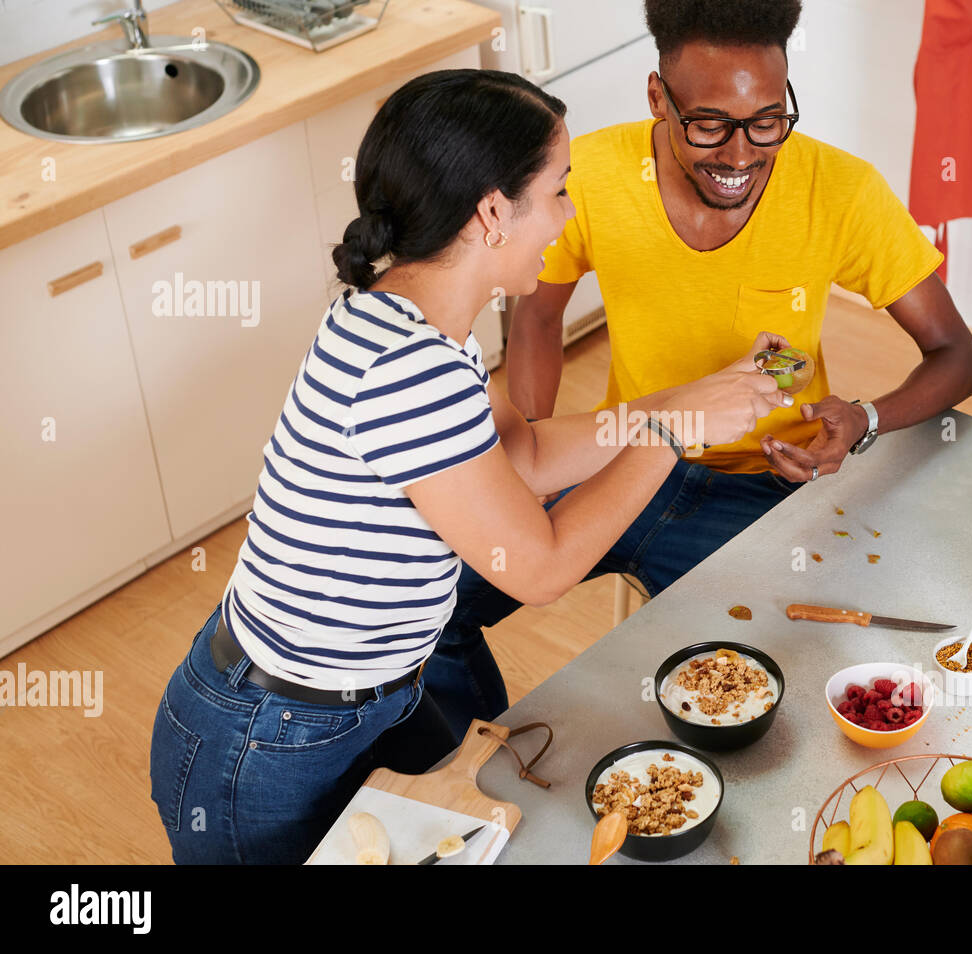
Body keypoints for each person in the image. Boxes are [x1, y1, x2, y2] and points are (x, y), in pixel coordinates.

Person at [148, 68, 786, 864]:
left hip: (344, 703)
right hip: (267, 742)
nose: (567, 215)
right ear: (492, 211)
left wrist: (686, 395)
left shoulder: (412, 320)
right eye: (558, 191)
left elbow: (524, 455)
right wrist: (676, 428)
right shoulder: (406, 369)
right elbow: (542, 568)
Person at [423, 0, 972, 737]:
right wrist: (531, 456)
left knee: (747, 698)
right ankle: (481, 773)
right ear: (659, 97)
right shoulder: (587, 176)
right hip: (617, 463)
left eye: (767, 120)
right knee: (429, 615)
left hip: (759, 493)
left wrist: (862, 419)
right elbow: (537, 319)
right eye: (710, 124)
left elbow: (957, 356)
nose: (742, 154)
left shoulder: (840, 190)